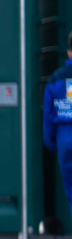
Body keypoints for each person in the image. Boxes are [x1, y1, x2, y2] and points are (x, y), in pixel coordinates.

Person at [43, 32, 72, 219]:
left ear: (69, 53)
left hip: (65, 138)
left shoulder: (55, 79)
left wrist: (52, 142)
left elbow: (48, 115)